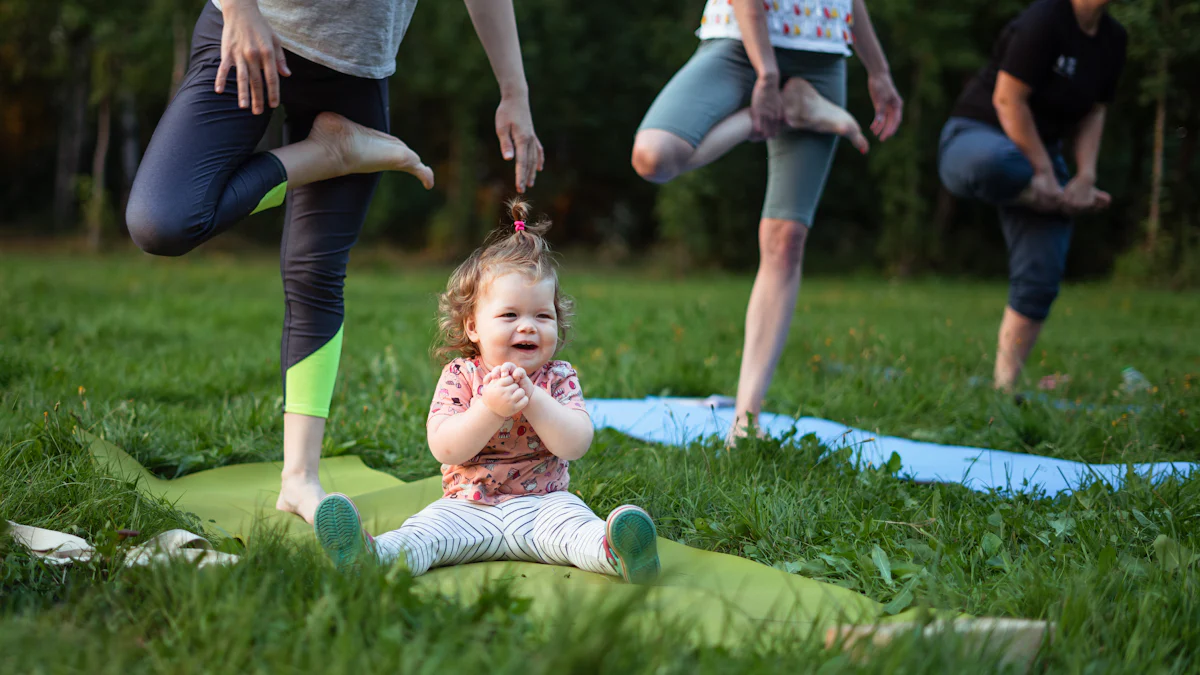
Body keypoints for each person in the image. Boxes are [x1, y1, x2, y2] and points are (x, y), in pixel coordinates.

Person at [125, 0, 545, 524]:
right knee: (163, 220)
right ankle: (331, 154)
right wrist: (238, 9)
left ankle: (299, 480)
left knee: (315, 274)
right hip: (251, 32)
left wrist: (514, 92)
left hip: (355, 72)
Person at [312, 202, 661, 584]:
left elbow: (575, 444)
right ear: (473, 326)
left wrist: (534, 400)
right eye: (510, 316)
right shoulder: (461, 375)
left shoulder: (558, 377)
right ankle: (373, 557)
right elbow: (445, 448)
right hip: (466, 508)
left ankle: (618, 552)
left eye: (543, 316)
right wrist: (490, 410)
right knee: (425, 535)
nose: (528, 327)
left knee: (577, 531)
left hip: (544, 505)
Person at [630, 0, 904, 441]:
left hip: (821, 53)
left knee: (786, 238)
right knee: (655, 155)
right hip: (738, 43)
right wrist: (769, 77)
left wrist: (879, 70)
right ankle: (791, 111)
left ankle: (746, 420)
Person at [937, 0, 1126, 392]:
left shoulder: (1113, 39)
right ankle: (1035, 193)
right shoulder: (1045, 20)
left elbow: (1095, 111)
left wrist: (1085, 178)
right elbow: (1008, 99)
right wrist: (1042, 174)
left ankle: (1004, 388)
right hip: (977, 137)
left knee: (1042, 272)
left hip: (1042, 153)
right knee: (1002, 162)